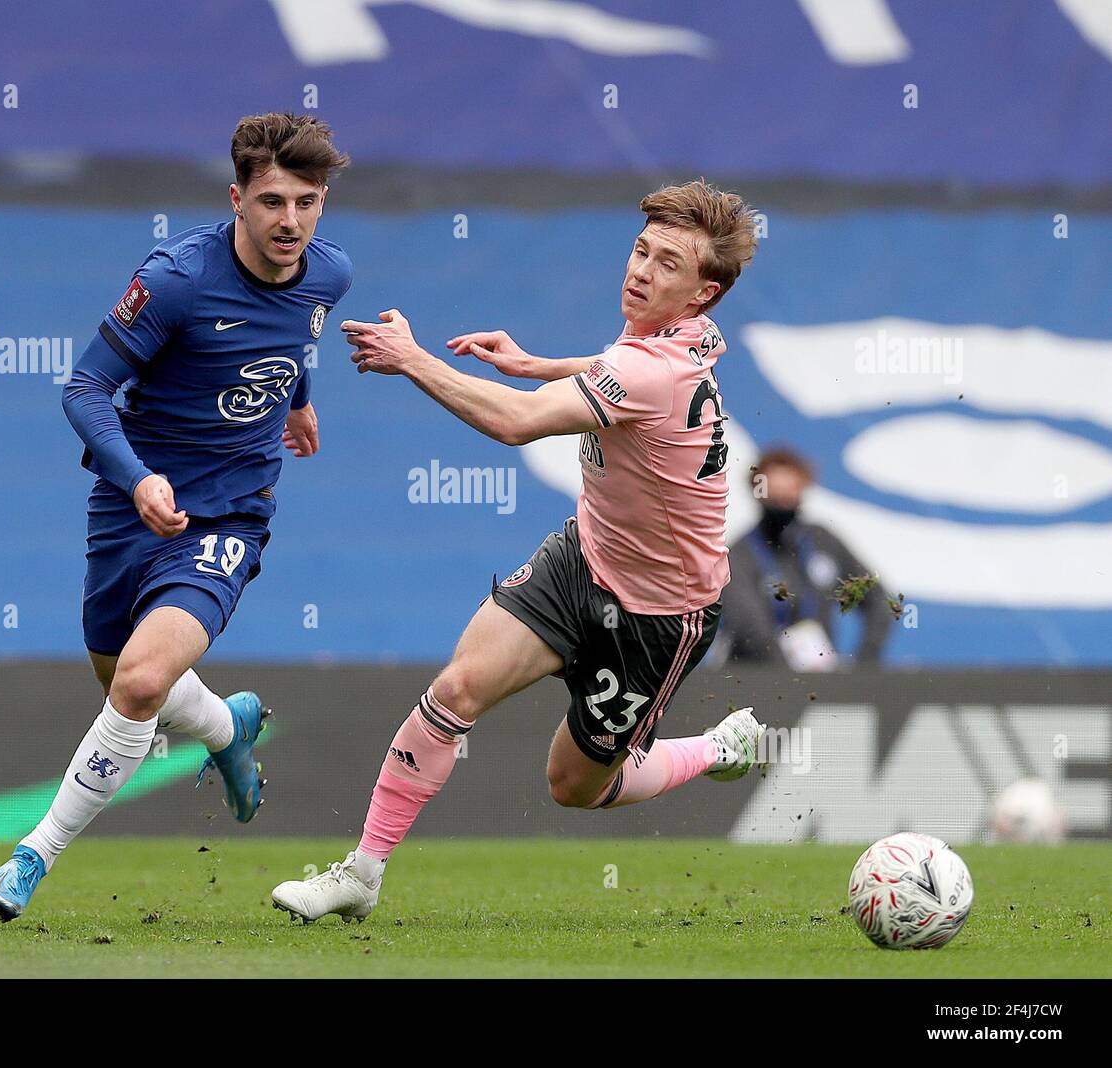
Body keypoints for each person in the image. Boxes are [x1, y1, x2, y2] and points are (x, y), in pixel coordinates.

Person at [272, 179, 766, 924]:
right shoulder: (673, 344)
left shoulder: (653, 369)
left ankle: (716, 749)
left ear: (703, 292)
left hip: (659, 616)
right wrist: (535, 364)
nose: (640, 270)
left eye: (668, 264)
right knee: (458, 689)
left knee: (574, 785)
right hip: (583, 559)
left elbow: (517, 427)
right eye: (641, 250)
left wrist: (412, 358)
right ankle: (362, 873)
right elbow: (615, 370)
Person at [0, 113, 353, 922]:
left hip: (231, 513)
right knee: (124, 680)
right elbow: (83, 390)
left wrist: (299, 400)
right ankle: (227, 727)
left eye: (308, 202)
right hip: (131, 509)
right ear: (238, 199)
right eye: (272, 201)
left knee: (145, 681)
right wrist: (140, 479)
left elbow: (294, 338)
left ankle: (31, 856)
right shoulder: (178, 278)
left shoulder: (331, 274)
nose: (291, 221)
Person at [721, 447, 893, 670]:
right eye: (775, 494)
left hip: (817, 679)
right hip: (754, 680)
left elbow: (877, 600)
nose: (783, 501)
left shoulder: (822, 541)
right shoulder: (741, 553)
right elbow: (747, 625)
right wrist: (790, 673)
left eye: (790, 493)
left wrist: (865, 664)